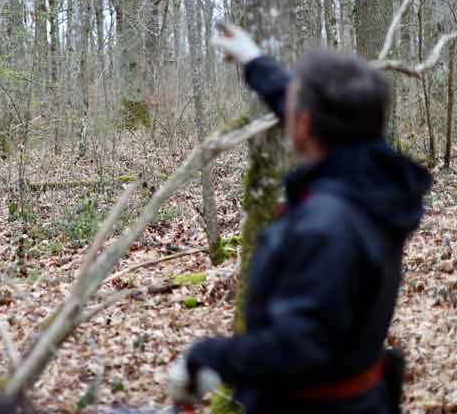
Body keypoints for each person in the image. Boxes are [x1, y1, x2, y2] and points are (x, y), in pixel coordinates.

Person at [167, 24, 432, 414]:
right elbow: (310, 103)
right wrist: (254, 61)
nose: (287, 106)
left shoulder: (327, 226)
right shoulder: (373, 178)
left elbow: (299, 347)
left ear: (305, 123)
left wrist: (206, 357)